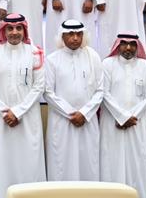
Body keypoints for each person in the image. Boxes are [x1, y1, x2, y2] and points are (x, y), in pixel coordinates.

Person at [0, 14, 47, 198]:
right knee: (3, 163)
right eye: (10, 29)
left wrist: (18, 112)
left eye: (19, 28)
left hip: (28, 119)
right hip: (1, 119)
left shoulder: (34, 52)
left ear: (24, 30)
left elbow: (39, 86)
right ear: (3, 31)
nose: (14, 32)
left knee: (29, 162)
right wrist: (5, 111)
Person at [44, 19, 104, 182]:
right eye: (70, 34)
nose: (75, 38)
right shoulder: (52, 59)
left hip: (87, 121)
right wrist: (71, 113)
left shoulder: (93, 57)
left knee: (88, 164)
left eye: (78, 34)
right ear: (62, 36)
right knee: (61, 165)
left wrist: (84, 113)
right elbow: (48, 92)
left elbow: (100, 90)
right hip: (62, 122)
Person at [100, 33, 146, 197]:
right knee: (112, 160)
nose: (128, 47)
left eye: (132, 44)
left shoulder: (145, 66)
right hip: (112, 122)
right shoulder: (107, 64)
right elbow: (104, 93)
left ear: (137, 46)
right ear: (118, 45)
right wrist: (122, 117)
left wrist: (131, 117)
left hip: (137, 122)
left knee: (137, 161)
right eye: (124, 43)